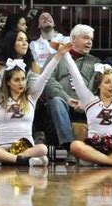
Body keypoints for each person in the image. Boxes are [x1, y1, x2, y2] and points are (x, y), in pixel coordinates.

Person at [0, 43, 73, 166]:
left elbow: (45, 77)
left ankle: (7, 160)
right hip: (3, 147)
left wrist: (59, 55)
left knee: (42, 149)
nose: (21, 83)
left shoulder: (31, 97)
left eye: (23, 79)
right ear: (8, 82)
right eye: (17, 80)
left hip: (25, 147)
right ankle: (22, 160)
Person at [43, 24, 101, 163]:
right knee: (56, 101)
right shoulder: (55, 57)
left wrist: (86, 103)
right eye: (86, 38)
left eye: (91, 39)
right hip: (63, 105)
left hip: (87, 107)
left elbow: (97, 87)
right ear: (73, 39)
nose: (89, 42)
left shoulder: (96, 62)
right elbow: (48, 81)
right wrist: (67, 99)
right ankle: (69, 147)